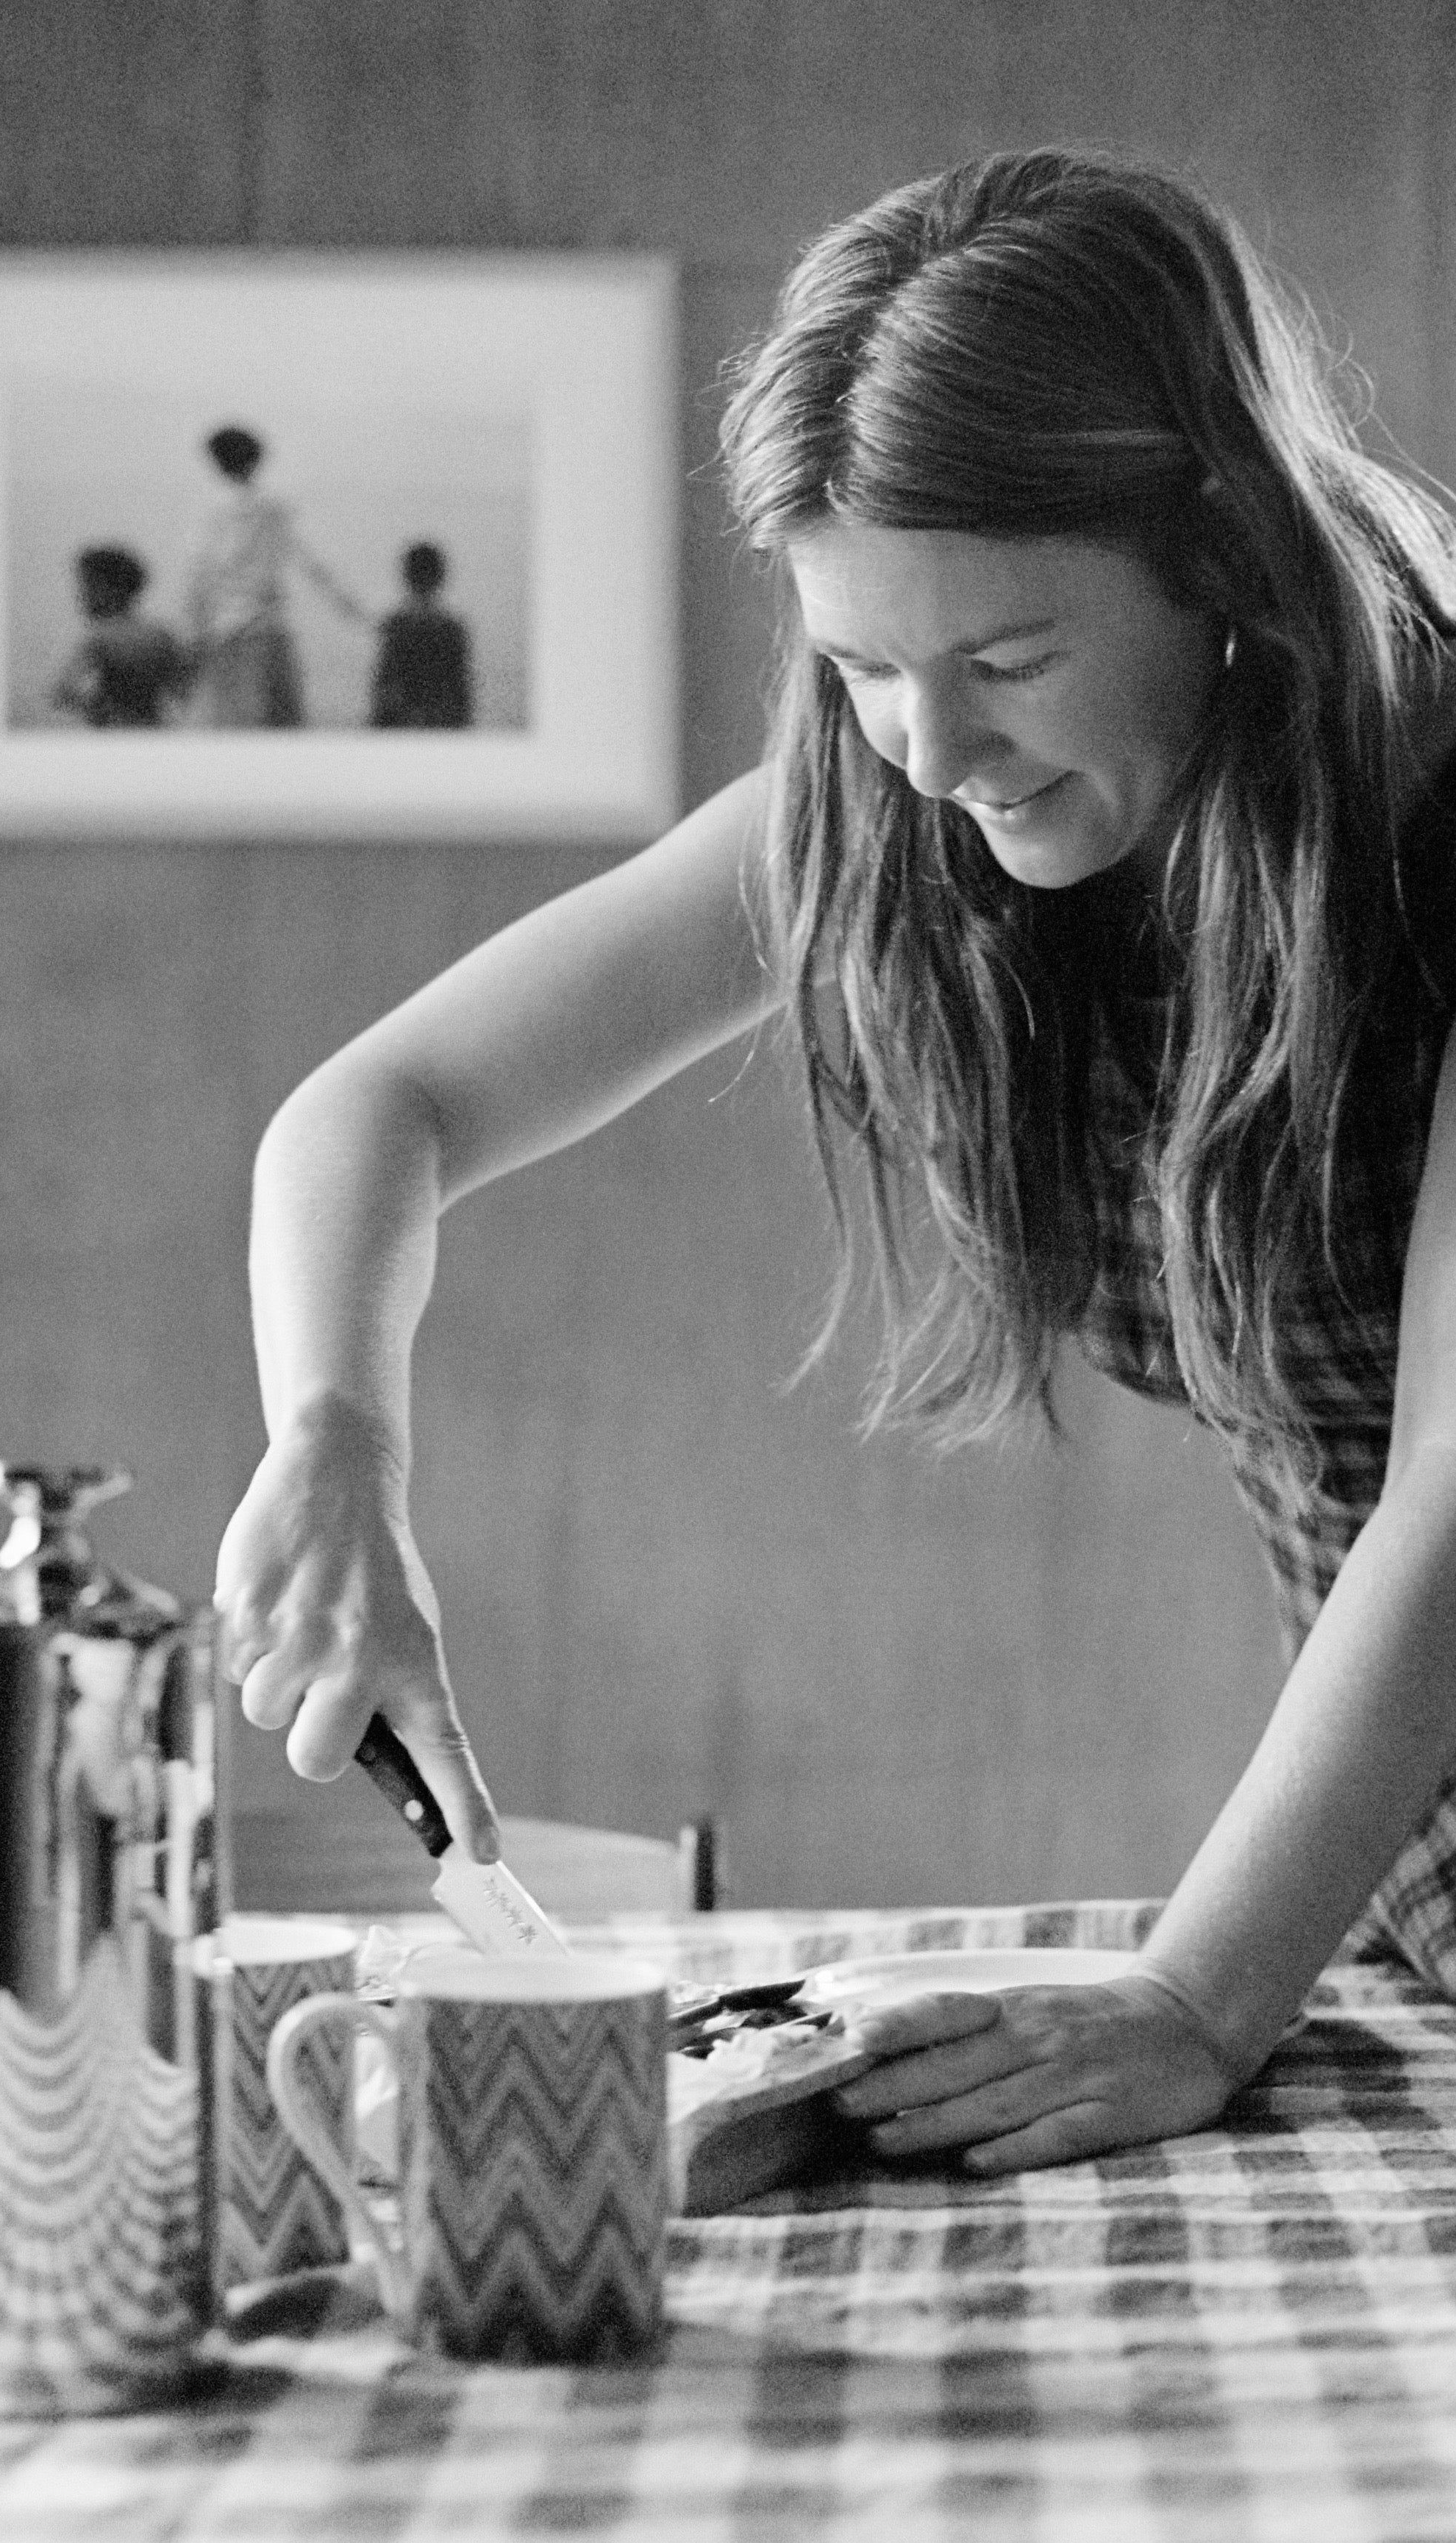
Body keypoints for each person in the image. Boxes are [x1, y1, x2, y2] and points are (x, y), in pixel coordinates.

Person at [213, 147, 1456, 2177]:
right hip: (1405, 1907)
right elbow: (380, 1110)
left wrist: (1199, 1995)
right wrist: (338, 1436)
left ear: (1222, 553)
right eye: (863, 668)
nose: (932, 758)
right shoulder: (893, 801)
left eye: (1007, 661)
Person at [185, 424, 364, 728]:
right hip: (271, 627)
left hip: (230, 631)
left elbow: (200, 577)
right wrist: (352, 607)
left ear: (216, 462)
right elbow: (314, 564)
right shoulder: (275, 508)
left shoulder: (214, 512)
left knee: (239, 731)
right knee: (282, 728)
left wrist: (194, 634)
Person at [50, 544, 192, 728]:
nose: (81, 597)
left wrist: (95, 706)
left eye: (88, 587)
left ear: (109, 589)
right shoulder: (162, 636)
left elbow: (62, 692)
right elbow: (185, 690)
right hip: (155, 732)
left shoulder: (99, 638)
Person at [370, 541, 474, 729]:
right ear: (441, 578)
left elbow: (384, 697)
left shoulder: (396, 626)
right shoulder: (453, 630)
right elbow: (461, 703)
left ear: (406, 577)